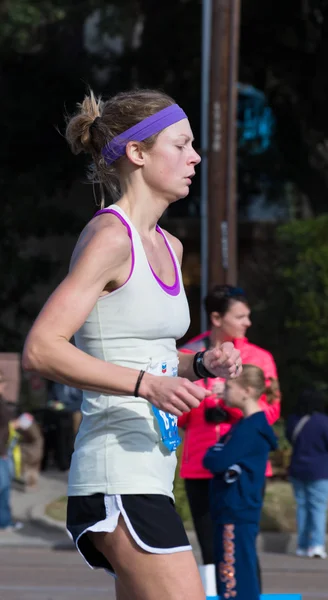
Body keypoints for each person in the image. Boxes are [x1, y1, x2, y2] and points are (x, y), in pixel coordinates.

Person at [22, 88, 243, 600]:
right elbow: (43, 348)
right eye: (182, 144)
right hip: (115, 473)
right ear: (138, 153)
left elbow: (138, 351)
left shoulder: (171, 245)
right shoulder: (110, 238)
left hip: (152, 470)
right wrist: (148, 386)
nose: (195, 156)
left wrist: (200, 363)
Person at [177, 284, 280, 591]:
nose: (247, 323)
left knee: (241, 548)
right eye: (240, 316)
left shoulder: (259, 358)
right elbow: (174, 414)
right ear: (217, 318)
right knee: (210, 548)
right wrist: (201, 399)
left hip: (245, 466)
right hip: (200, 464)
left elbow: (270, 413)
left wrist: (229, 404)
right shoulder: (188, 354)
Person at [203, 365, 278, 600]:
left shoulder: (250, 430)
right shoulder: (244, 427)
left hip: (235, 512)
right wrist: (217, 453)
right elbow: (214, 457)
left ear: (246, 391)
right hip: (233, 510)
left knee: (233, 580)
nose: (223, 391)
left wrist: (217, 452)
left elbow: (215, 460)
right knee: (236, 576)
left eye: (228, 386)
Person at [285, 388, 328, 559]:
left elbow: (289, 439)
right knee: (318, 508)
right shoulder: (324, 421)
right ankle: (316, 545)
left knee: (302, 507)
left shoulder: (293, 420)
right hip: (320, 470)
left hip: (297, 468)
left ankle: (302, 545)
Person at [0, 371, 22, 531]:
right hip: (1, 453)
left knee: (5, 488)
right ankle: (5, 521)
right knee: (3, 486)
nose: (3, 385)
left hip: (4, 451)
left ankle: (5, 521)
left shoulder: (2, 401)